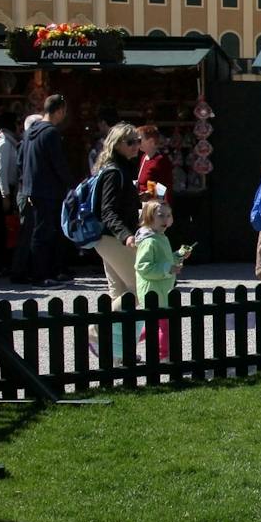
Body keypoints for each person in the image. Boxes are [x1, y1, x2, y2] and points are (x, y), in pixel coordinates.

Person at [19, 94, 76, 286]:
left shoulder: (30, 132)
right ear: (59, 110)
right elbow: (58, 163)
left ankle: (34, 271)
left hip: (31, 188)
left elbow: (22, 160)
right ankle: (41, 275)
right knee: (45, 232)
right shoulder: (50, 132)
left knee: (37, 231)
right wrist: (71, 184)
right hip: (49, 190)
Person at [92, 123, 143, 302]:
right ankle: (96, 330)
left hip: (109, 239)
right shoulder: (114, 172)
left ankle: (104, 330)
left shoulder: (120, 168)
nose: (136, 145)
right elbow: (107, 211)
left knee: (119, 294)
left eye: (138, 141)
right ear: (117, 144)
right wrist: (126, 236)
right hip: (113, 239)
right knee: (140, 288)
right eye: (130, 142)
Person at [134, 199, 184, 359]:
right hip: (152, 290)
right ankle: (163, 355)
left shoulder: (160, 237)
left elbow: (164, 259)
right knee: (162, 325)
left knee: (153, 325)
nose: (165, 219)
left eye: (168, 215)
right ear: (149, 218)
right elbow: (143, 267)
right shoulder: (149, 241)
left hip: (161, 290)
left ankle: (122, 346)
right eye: (160, 215)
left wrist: (178, 256)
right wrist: (168, 269)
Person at [0, 111, 22, 278]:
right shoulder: (4, 143)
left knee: (5, 228)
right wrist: (5, 195)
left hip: (7, 188)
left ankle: (3, 263)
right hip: (1, 189)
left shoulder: (9, 142)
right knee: (0, 229)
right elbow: (0, 171)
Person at [135, 124, 175, 197]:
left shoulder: (161, 160)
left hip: (154, 205)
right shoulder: (144, 157)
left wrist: (146, 195)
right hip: (143, 204)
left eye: (140, 140)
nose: (137, 142)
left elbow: (164, 189)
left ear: (151, 142)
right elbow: (147, 182)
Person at [89, 105, 120, 175]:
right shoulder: (124, 138)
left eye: (98, 123)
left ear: (103, 123)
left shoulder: (100, 144)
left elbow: (95, 171)